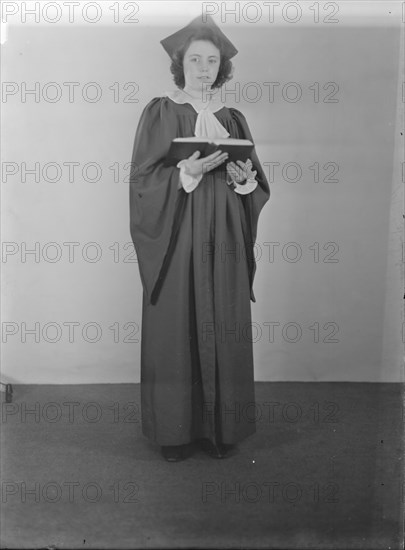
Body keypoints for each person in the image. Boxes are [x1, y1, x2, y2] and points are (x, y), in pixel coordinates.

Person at [129, 15, 270, 461]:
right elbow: (142, 181)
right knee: (177, 322)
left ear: (221, 67)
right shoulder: (161, 111)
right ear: (180, 64)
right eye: (196, 59)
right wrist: (184, 173)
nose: (205, 68)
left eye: (212, 60)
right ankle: (175, 433)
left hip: (225, 231)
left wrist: (245, 180)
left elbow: (256, 184)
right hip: (178, 230)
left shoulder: (233, 118)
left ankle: (222, 431)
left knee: (222, 321)